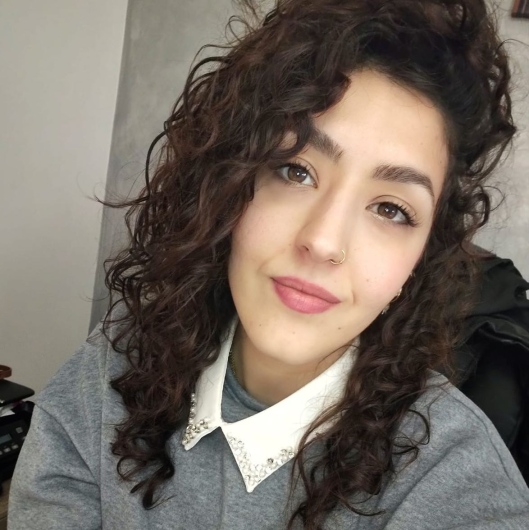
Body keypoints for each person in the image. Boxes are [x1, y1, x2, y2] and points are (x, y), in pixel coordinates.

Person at [8, 0, 529, 528]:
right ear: (228, 183)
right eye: (295, 170)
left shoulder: (456, 484)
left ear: (421, 259)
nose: (323, 241)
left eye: (391, 209)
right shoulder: (117, 362)